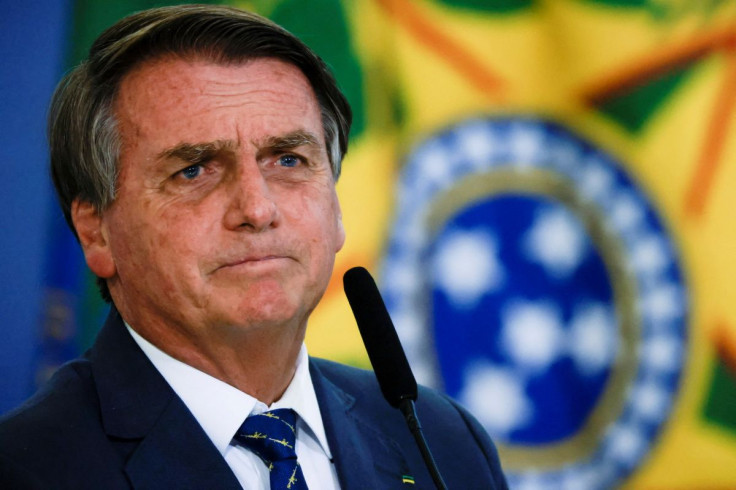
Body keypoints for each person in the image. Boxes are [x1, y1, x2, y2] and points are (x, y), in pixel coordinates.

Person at [0, 5, 507, 489]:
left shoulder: (442, 440)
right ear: (96, 232)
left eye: (287, 160)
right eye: (194, 170)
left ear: (334, 204)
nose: (257, 209)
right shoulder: (27, 468)